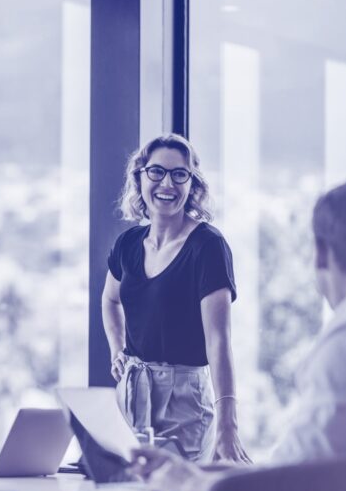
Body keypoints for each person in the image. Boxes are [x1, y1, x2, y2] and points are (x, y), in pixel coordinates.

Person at [133, 178, 346, 491]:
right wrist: (201, 475)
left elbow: (287, 488)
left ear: (320, 254)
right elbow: (298, 468)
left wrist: (190, 486)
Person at [102, 133, 248, 462]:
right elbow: (110, 300)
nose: (167, 183)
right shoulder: (128, 244)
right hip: (131, 392)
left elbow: (219, 341)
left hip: (185, 399)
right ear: (139, 177)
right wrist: (117, 349)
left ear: (192, 184)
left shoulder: (208, 246)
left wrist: (228, 425)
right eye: (156, 171)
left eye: (179, 174)